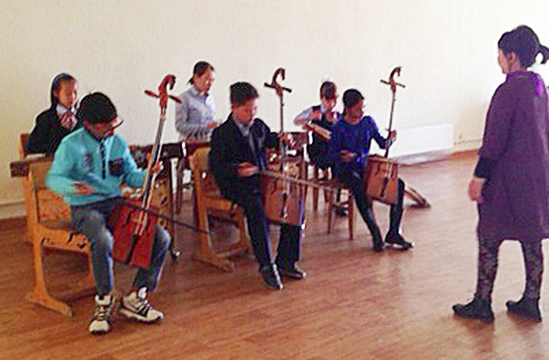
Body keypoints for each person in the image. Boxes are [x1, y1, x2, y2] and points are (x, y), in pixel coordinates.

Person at [47, 93, 170, 335]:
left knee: (161, 237)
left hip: (115, 203)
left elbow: (130, 176)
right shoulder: (71, 145)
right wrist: (73, 187)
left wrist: (148, 174)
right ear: (88, 125)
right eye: (106, 126)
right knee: (103, 239)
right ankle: (104, 299)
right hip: (85, 208)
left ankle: (136, 296)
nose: (112, 130)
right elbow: (54, 178)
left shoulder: (118, 143)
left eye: (114, 123)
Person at [453, 26, 549, 323]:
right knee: (531, 238)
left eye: (499, 54)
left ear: (512, 56)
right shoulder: (538, 86)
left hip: (508, 180)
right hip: (537, 177)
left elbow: (494, 140)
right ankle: (531, 300)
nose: (498, 60)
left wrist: (479, 177)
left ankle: (483, 302)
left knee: (488, 237)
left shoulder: (508, 90)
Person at [209, 82, 306, 290]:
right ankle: (266, 265)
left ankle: (287, 261)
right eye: (247, 110)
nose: (252, 114)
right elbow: (216, 166)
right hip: (236, 185)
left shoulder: (259, 126)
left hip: (261, 181)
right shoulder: (221, 133)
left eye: (254, 109)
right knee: (256, 209)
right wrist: (237, 169)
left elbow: (270, 139)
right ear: (233, 107)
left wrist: (284, 139)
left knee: (292, 203)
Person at [329, 89, 413, 252]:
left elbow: (382, 144)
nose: (361, 112)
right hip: (347, 169)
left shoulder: (367, 122)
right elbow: (331, 156)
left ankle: (394, 232)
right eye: (358, 109)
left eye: (363, 108)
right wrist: (342, 156)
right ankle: (375, 234)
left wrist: (391, 138)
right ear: (348, 108)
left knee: (399, 186)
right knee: (358, 187)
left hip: (366, 167)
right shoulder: (339, 128)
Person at [26, 73, 80, 155]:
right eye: (68, 93)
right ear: (56, 93)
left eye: (75, 93)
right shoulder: (46, 118)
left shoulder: (83, 115)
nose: (72, 97)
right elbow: (32, 146)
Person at [294, 81, 341, 170]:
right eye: (328, 99)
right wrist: (309, 118)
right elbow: (296, 120)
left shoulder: (339, 116)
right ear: (322, 98)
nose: (331, 103)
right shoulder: (315, 110)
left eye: (334, 99)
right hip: (319, 151)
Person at [175, 61, 217, 141]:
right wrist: (205, 127)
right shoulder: (184, 98)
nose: (210, 84)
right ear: (196, 77)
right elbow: (180, 126)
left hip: (208, 142)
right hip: (190, 143)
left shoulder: (210, 99)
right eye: (206, 79)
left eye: (212, 80)